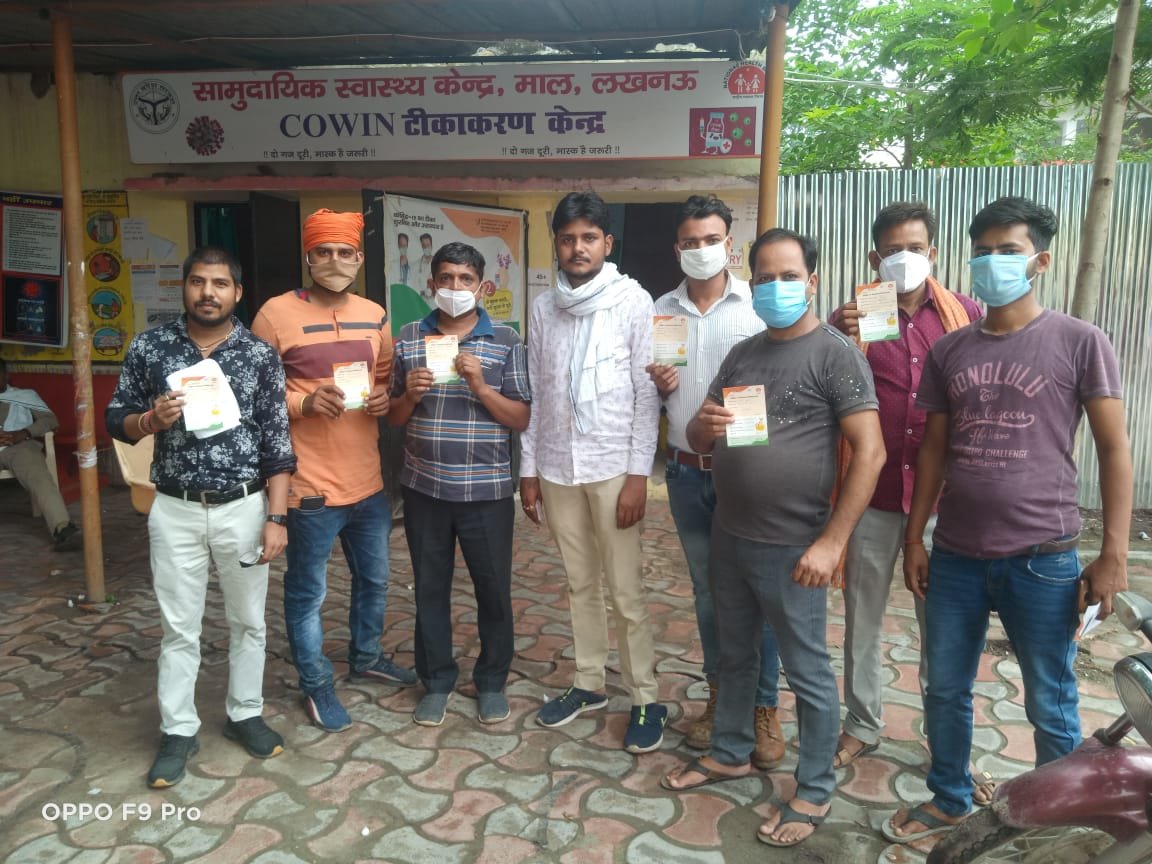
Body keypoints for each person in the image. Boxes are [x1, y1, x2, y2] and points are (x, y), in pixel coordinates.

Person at [885, 197, 1132, 843]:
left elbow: (1113, 448)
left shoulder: (1080, 341)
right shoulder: (951, 350)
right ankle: (949, 796)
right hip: (957, 555)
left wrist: (1112, 554)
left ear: (1039, 261)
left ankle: (1057, 822)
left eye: (1009, 251)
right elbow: (933, 448)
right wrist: (915, 537)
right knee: (944, 688)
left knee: (1049, 698)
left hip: (1043, 557)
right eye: (983, 252)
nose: (993, 262)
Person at [662, 228, 885, 849]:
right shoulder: (744, 354)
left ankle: (813, 788)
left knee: (806, 670)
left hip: (794, 545)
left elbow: (870, 452)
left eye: (789, 277)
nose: (776, 287)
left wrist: (832, 543)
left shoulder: (835, 354)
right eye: (764, 278)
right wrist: (704, 428)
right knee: (735, 655)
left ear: (811, 281)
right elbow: (703, 439)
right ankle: (731, 751)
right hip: (730, 533)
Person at [105, 246, 296, 787]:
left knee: (249, 621)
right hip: (175, 508)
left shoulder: (258, 355)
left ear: (238, 293)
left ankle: (245, 713)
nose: (208, 293)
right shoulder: (151, 347)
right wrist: (150, 420)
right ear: (184, 287)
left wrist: (277, 517)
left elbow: (278, 444)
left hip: (243, 506)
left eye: (220, 284)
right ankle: (178, 729)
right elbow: (116, 417)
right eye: (197, 282)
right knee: (179, 627)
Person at [828, 202, 981, 771]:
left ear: (932, 253)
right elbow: (832, 387)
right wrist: (843, 340)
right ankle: (861, 724)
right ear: (875, 258)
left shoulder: (965, 315)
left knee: (940, 626)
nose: (905, 258)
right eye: (893, 250)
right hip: (872, 493)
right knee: (862, 619)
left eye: (915, 248)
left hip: (942, 501)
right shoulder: (855, 315)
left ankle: (944, 736)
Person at [252, 208, 417, 735]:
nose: (334, 261)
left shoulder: (375, 315)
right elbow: (252, 394)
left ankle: (366, 655)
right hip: (308, 488)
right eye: (323, 252)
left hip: (367, 484)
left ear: (360, 259)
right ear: (308, 257)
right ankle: (317, 682)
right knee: (308, 593)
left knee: (375, 579)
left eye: (345, 252)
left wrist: (381, 400)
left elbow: (385, 383)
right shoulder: (274, 315)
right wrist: (302, 403)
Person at [519, 190, 666, 753]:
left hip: (612, 468)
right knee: (579, 582)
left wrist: (638, 475)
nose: (577, 248)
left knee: (625, 590)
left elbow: (646, 395)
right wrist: (529, 470)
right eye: (567, 238)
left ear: (608, 243)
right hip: (558, 467)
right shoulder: (543, 307)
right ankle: (588, 682)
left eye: (588, 238)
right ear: (555, 244)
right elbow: (537, 392)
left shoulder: (633, 301)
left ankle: (645, 695)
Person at [646, 194, 785, 768]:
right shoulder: (662, 308)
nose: (700, 250)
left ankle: (764, 707)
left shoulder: (758, 305)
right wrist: (658, 382)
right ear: (676, 248)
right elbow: (659, 391)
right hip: (685, 473)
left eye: (711, 240)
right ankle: (721, 695)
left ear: (730, 244)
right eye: (690, 242)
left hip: (747, 472)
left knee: (760, 592)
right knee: (708, 594)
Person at [389, 242, 531, 727]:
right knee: (430, 588)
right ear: (431, 284)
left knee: (493, 590)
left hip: (486, 492)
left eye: (465, 279)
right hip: (424, 488)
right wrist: (410, 395)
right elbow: (394, 416)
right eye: (446, 278)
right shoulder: (409, 336)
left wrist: (482, 387)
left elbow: (521, 417)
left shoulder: (506, 340)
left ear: (482, 287)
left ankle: (491, 681)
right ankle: (436, 681)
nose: (455, 287)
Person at [0, 358, 80, 549]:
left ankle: (63, 528)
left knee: (39, 476)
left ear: (6, 375)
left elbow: (50, 421)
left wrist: (24, 433)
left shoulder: (25, 396)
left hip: (19, 446)